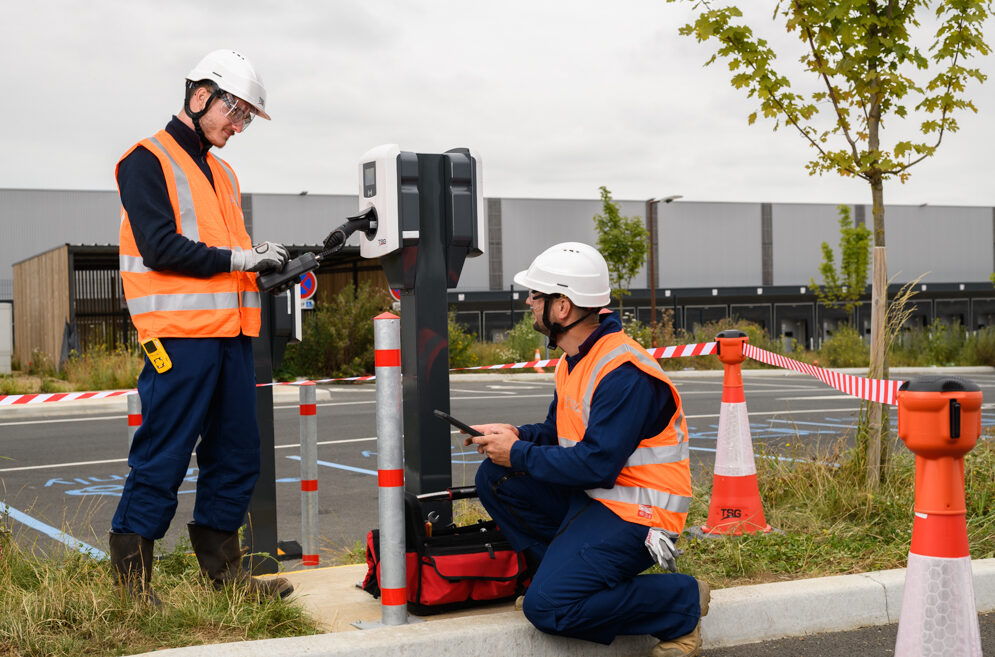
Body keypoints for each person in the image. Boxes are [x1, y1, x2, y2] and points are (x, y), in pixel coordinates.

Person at [467, 242, 710, 657]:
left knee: (548, 608)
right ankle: (562, 576)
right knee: (497, 476)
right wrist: (514, 435)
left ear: (562, 307)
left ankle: (680, 602)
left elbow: (597, 464)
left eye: (536, 295)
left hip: (639, 514)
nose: (528, 302)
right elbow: (556, 431)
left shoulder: (624, 372)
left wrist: (519, 452)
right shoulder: (575, 358)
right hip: (598, 501)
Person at [111, 49, 293, 602]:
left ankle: (226, 577)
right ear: (200, 97)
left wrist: (264, 268)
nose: (238, 127)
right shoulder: (145, 160)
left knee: (238, 455)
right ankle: (134, 590)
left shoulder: (225, 173)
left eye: (244, 118)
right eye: (234, 113)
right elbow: (162, 247)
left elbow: (228, 256)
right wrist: (244, 260)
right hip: (179, 338)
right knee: (162, 455)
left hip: (234, 336)